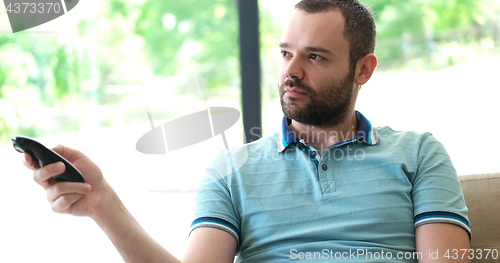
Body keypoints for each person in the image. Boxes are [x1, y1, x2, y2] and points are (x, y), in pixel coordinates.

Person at [23, 0, 471, 262]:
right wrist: (104, 204)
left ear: (363, 69)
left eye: (314, 57)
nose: (290, 72)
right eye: (285, 53)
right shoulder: (231, 170)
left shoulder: (418, 153)